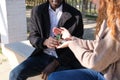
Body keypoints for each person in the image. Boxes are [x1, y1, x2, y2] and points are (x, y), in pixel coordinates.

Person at [9, 0, 84, 80]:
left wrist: (55, 63)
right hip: (42, 55)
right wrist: (44, 42)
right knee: (14, 74)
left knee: (55, 78)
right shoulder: (37, 11)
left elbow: (76, 45)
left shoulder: (76, 15)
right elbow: (33, 37)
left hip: (63, 60)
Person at [48, 0, 120, 80]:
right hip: (103, 70)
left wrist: (71, 44)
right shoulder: (111, 19)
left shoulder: (117, 27)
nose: (92, 1)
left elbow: (93, 62)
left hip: (109, 75)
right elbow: (98, 44)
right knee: (54, 77)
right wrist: (71, 39)